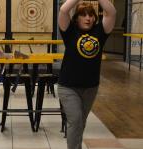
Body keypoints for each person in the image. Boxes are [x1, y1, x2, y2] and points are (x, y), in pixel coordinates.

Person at [57, 0, 116, 149]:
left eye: (91, 15)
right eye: (83, 15)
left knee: (80, 123)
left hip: (90, 87)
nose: (88, 18)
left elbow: (112, 12)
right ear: (77, 18)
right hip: (68, 87)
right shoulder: (70, 31)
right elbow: (64, 11)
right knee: (75, 121)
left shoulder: (100, 31)